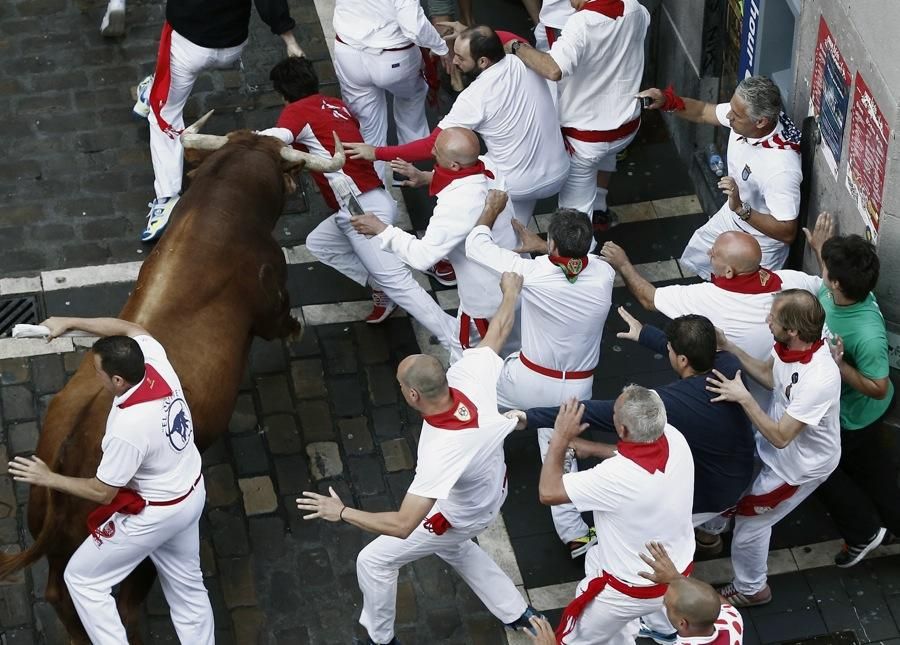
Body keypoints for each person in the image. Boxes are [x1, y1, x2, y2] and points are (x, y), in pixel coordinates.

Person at [296, 273, 545, 644]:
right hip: (492, 491)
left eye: (400, 385)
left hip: (457, 515)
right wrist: (511, 291)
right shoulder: (469, 375)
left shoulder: (440, 450)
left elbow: (402, 525)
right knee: (453, 548)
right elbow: (498, 331)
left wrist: (343, 512)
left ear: (413, 395)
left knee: (375, 561)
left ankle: (382, 639)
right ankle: (516, 612)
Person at [8, 317, 211, 644]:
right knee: (188, 588)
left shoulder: (128, 429)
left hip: (155, 514)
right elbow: (132, 329)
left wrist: (48, 477)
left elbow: (101, 492)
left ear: (118, 380)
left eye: (98, 371)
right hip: (191, 494)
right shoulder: (155, 361)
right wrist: (69, 321)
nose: (95, 374)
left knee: (82, 580)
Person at [257, 57, 457, 346]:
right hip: (366, 201)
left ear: (283, 94)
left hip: (360, 208)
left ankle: (454, 336)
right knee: (321, 243)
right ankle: (383, 283)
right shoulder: (336, 105)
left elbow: (277, 138)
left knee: (399, 283)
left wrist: (242, 141)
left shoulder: (297, 110)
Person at [526, 308, 754, 559]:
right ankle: (709, 536)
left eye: (669, 349)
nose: (667, 350)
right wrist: (645, 334)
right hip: (739, 474)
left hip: (706, 496)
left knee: (634, 522)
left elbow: (595, 414)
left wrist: (527, 418)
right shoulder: (729, 366)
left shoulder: (671, 405)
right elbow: (693, 352)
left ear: (682, 360)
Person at [345, 25, 569, 228]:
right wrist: (467, 32)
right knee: (515, 232)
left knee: (458, 165)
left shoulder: (474, 96)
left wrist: (376, 152)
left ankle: (446, 259)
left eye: (460, 57)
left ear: (483, 62)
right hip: (559, 172)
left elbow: (433, 145)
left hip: (515, 185)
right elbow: (504, 37)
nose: (453, 61)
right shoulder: (523, 58)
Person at [707, 289, 842, 607]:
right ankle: (715, 526)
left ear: (793, 330)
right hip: (776, 446)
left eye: (773, 318)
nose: (767, 321)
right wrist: (729, 347)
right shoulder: (790, 344)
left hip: (798, 466)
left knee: (752, 522)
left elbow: (782, 437)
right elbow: (770, 376)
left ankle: (751, 588)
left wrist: (743, 397)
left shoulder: (819, 378)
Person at [136, 0, 305, 243]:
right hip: (233, 45)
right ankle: (154, 86)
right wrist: (290, 41)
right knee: (168, 70)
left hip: (188, 44)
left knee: (163, 117)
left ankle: (166, 198)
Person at [537, 389, 695, 643]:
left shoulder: (614, 476)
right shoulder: (675, 439)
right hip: (677, 571)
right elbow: (635, 455)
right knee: (595, 556)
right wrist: (594, 448)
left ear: (622, 430)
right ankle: (663, 631)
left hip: (627, 592)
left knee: (572, 639)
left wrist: (559, 438)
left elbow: (548, 492)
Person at [350, 127, 518, 360]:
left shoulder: (457, 206)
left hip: (486, 301)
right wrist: (425, 177)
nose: (431, 152)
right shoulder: (488, 165)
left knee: (467, 359)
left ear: (455, 167)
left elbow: (422, 256)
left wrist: (381, 229)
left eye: (436, 152)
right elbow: (463, 178)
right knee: (514, 347)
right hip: (516, 283)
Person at [601, 231, 820, 407]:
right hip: (782, 400)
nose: (708, 253)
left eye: (714, 254)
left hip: (738, 405)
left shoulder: (707, 298)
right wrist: (821, 254)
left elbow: (649, 299)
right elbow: (826, 288)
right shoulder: (793, 280)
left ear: (728, 272)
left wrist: (622, 264)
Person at [803, 213, 898, 567]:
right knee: (874, 474)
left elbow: (878, 387)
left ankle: (864, 532)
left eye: (826, 269)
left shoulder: (867, 334)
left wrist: (839, 366)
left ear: (837, 284)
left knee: (823, 468)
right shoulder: (841, 291)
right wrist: (820, 250)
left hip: (855, 418)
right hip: (846, 414)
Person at [506, 0, 650, 231]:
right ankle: (600, 207)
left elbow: (553, 69)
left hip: (585, 141)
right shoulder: (637, 9)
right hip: (626, 128)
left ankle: (574, 262)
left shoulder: (580, 23)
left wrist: (515, 46)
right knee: (604, 152)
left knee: (573, 219)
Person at [639, 76, 802, 279]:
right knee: (705, 267)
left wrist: (741, 209)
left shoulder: (781, 170)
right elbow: (702, 112)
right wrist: (667, 100)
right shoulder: (744, 117)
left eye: (736, 115)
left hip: (758, 245)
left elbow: (787, 232)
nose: (728, 116)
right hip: (730, 219)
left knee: (737, 301)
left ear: (760, 121)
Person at [467, 195, 614, 409]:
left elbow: (475, 246)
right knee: (555, 440)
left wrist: (491, 209)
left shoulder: (533, 272)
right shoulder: (605, 274)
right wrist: (543, 246)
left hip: (528, 382)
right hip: (580, 390)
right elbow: (582, 262)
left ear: (552, 243)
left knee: (472, 387)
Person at [332, 0, 449, 180]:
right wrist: (440, 47)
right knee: (411, 101)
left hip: (348, 52)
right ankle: (405, 168)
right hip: (395, 55)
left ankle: (375, 187)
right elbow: (414, 26)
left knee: (367, 126)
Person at [638, 542, 744, 644]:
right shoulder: (733, 620)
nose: (664, 604)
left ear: (682, 623)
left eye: (666, 604)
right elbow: (723, 603)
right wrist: (675, 577)